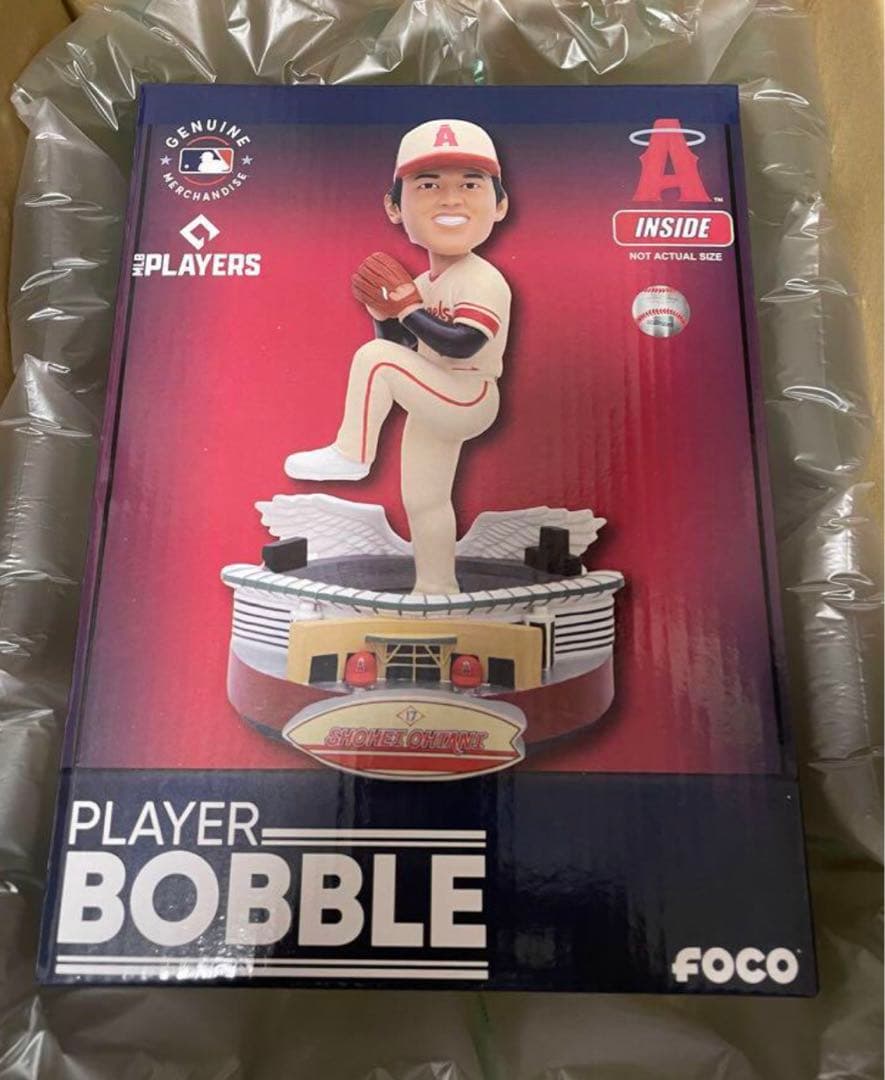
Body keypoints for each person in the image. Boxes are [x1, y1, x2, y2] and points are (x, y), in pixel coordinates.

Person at [285, 119, 511, 595]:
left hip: (470, 393)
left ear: (500, 204)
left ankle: (352, 453)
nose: (451, 199)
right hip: (436, 395)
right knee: (425, 501)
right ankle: (436, 586)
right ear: (394, 207)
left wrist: (406, 309)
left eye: (470, 184)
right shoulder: (424, 283)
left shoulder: (482, 277)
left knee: (376, 358)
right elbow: (407, 347)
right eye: (428, 185)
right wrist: (383, 312)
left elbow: (463, 342)